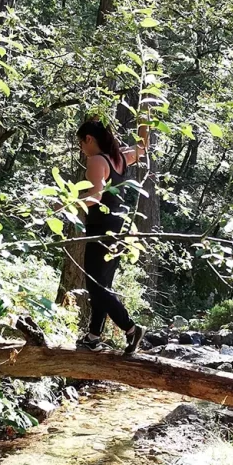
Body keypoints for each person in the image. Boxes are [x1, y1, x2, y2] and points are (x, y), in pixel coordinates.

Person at [71, 118, 147, 354]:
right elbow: (143, 148)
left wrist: (65, 206)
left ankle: (131, 329)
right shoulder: (120, 157)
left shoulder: (96, 160)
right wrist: (145, 119)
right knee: (102, 285)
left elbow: (95, 196)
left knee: (96, 286)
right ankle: (93, 336)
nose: (81, 149)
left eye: (81, 144)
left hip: (101, 229)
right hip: (119, 228)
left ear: (89, 139)